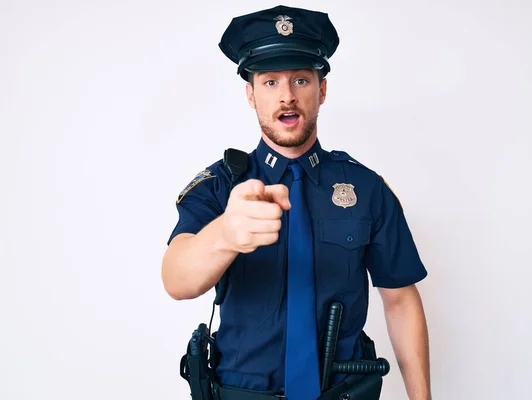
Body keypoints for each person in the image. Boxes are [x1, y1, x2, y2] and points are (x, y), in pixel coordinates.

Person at [162, 5, 431, 400]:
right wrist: (224, 235)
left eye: (301, 80)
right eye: (270, 82)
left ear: (322, 90)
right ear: (250, 94)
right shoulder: (220, 185)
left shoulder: (366, 187)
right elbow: (176, 280)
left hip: (342, 391)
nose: (287, 96)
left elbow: (401, 300)